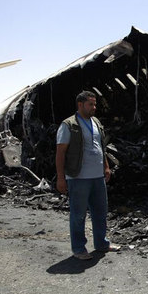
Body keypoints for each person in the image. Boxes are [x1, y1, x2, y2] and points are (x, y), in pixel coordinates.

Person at [55, 90, 118, 259]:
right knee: (78, 214)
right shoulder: (68, 125)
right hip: (78, 177)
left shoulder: (96, 122)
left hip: (97, 177)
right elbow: (60, 152)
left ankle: (101, 243)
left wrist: (106, 167)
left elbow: (100, 147)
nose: (94, 107)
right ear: (80, 105)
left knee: (100, 211)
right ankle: (79, 248)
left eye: (95, 104)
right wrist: (61, 178)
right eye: (91, 104)